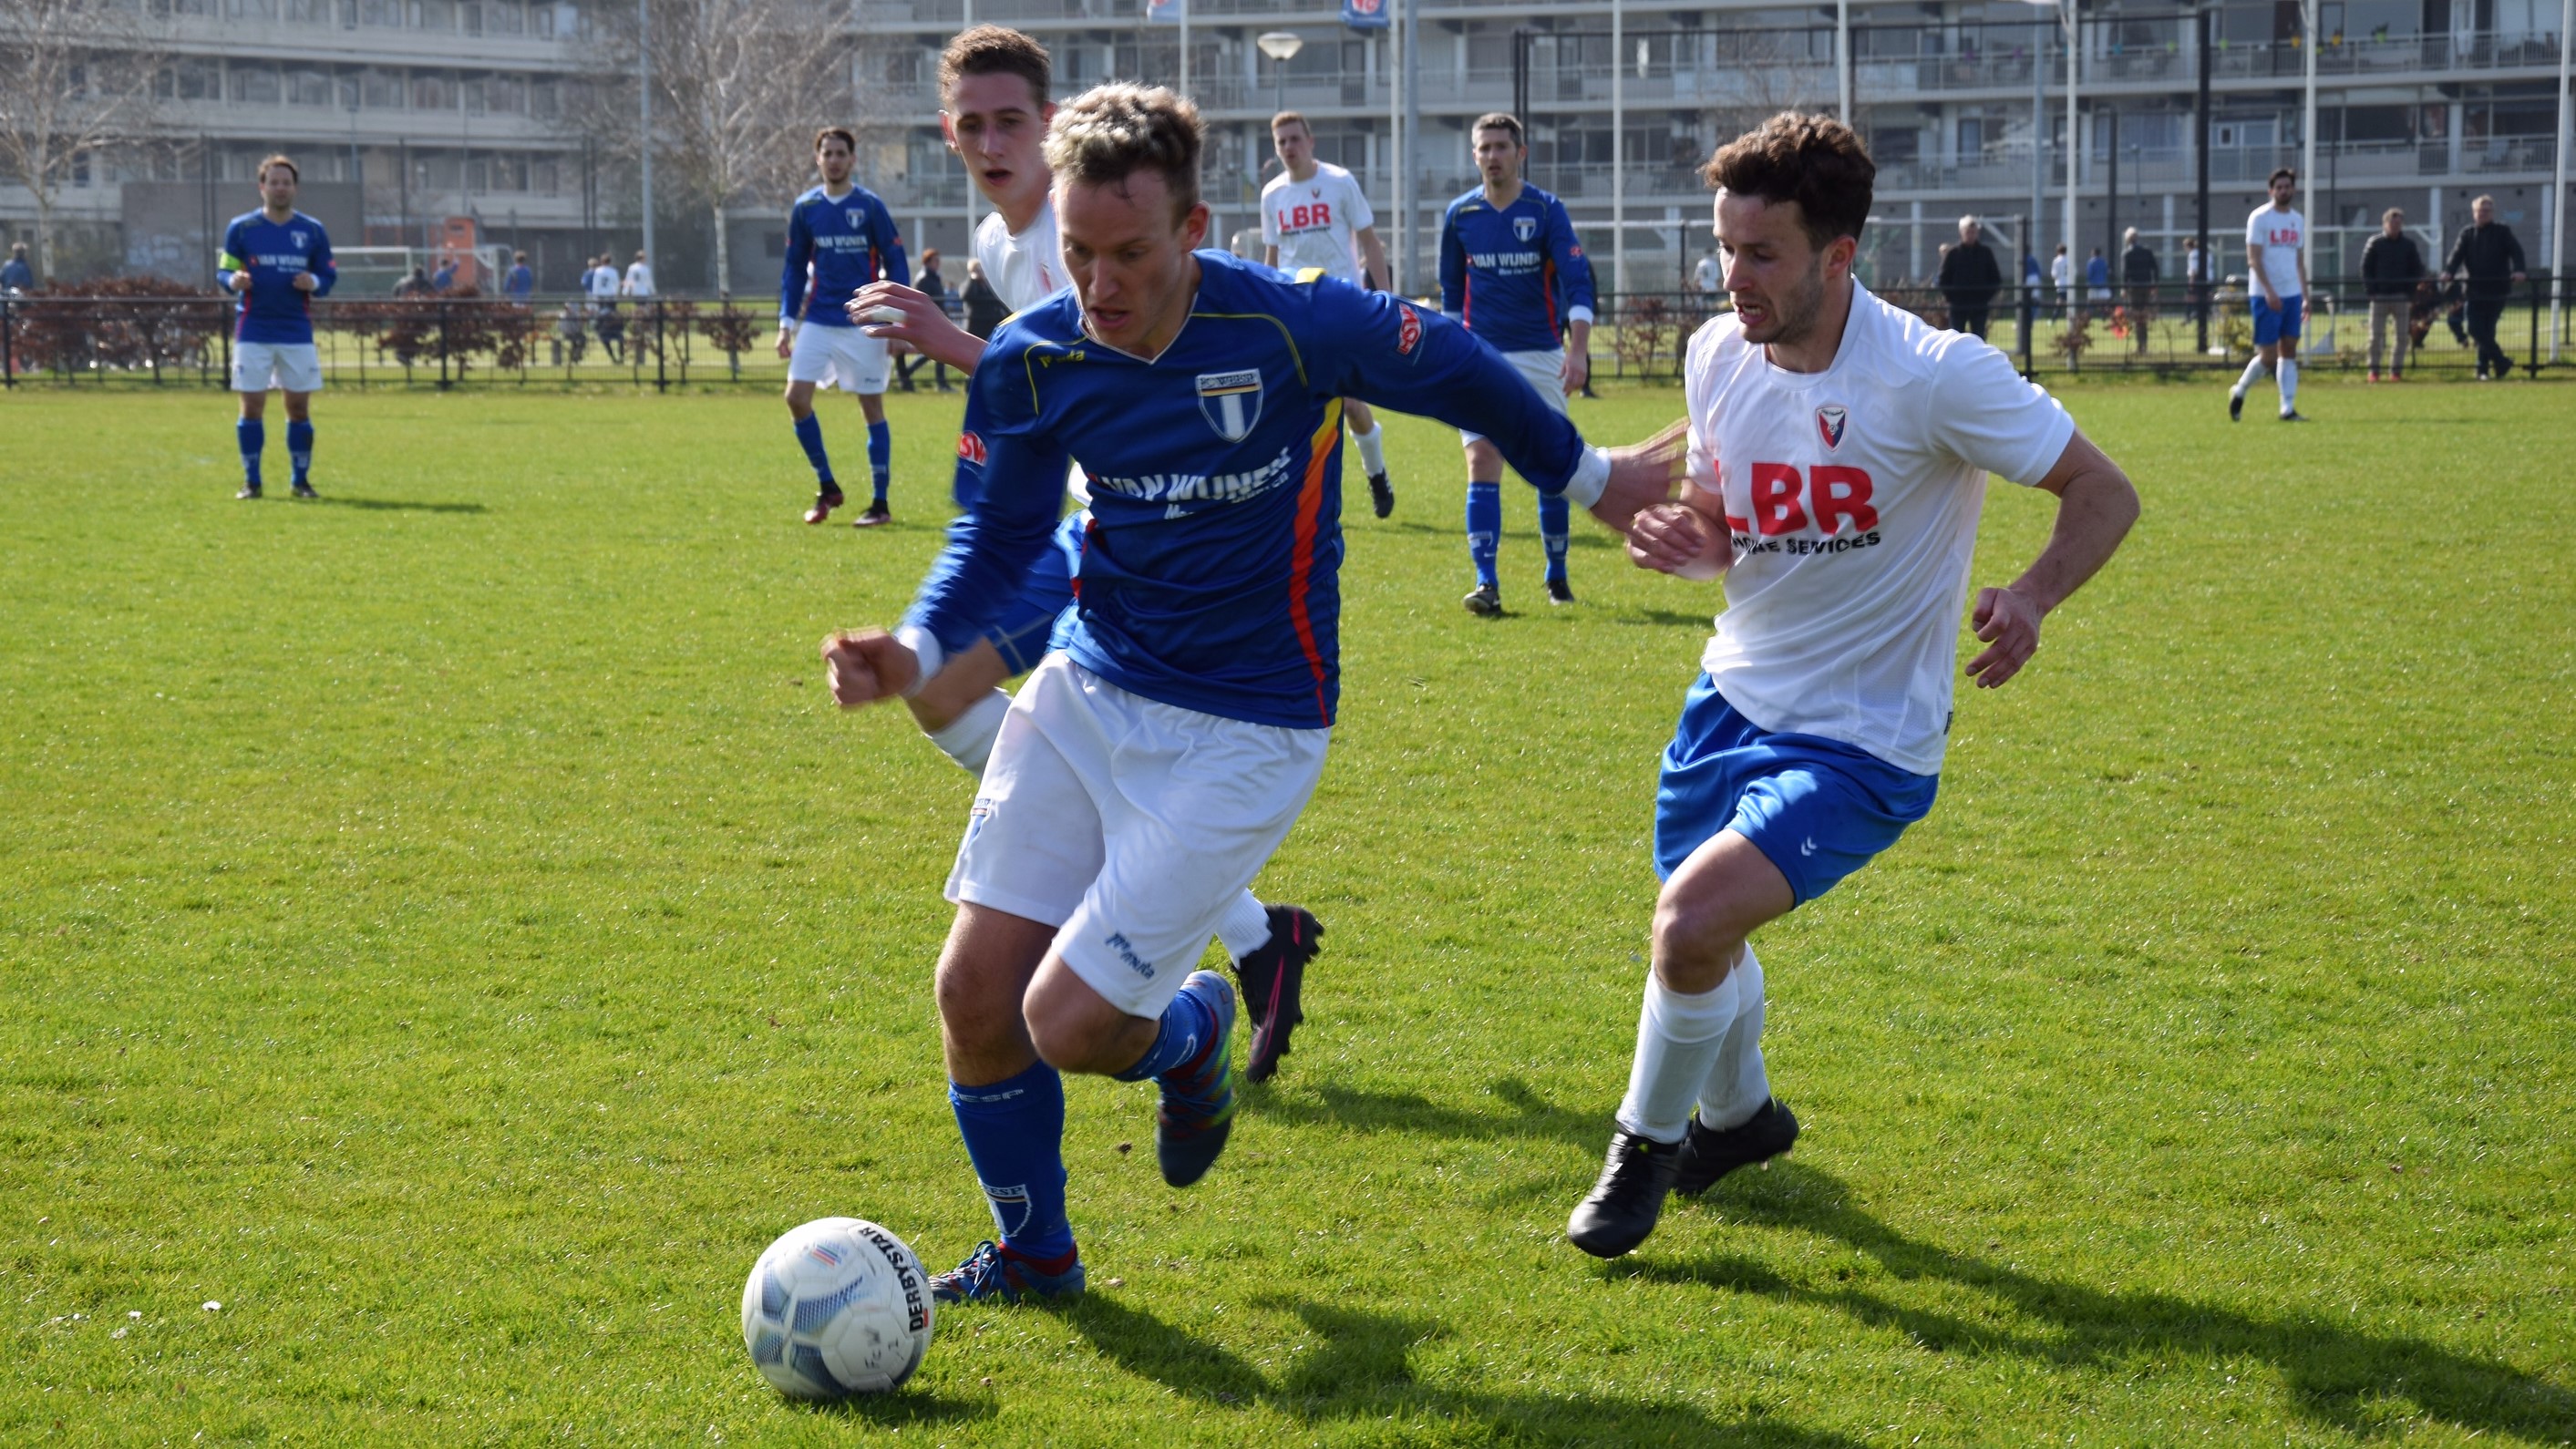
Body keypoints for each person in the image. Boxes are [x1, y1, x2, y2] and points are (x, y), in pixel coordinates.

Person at [820, 82, 1674, 1302]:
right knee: (972, 993)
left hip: (1250, 724)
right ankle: (1037, 1256)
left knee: (1070, 1024)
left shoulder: (1291, 324)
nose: (1099, 283)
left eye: (1129, 253)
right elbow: (995, 538)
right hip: (1091, 684)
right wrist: (913, 647)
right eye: (1079, 253)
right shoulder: (1034, 355)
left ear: (1194, 228)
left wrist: (1589, 476)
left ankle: (1196, 1032)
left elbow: (1456, 367)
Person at [1568, 110, 2138, 1259]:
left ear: (1839, 255)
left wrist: (2032, 596)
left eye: (1760, 254)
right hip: (1731, 699)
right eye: (1723, 249)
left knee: (1689, 921)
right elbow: (1729, 524)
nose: (1733, 278)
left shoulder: (1934, 375)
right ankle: (1741, 1119)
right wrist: (1689, 542)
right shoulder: (1717, 354)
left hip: (1867, 740)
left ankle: (1643, 1149)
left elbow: (2104, 491)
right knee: (1700, 941)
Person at [850, 24, 1328, 1107]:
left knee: (947, 689)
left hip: (1126, 537)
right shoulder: (997, 242)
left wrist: (951, 344)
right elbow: (1048, 384)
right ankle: (1258, 934)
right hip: (1072, 524)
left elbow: (1102, 372)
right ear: (948, 135)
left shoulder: (1089, 222)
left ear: (1052, 123)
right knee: (939, 690)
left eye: (1010, 121)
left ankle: (1244, 938)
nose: (992, 143)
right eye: (971, 126)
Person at [1440, 111, 1597, 613]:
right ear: (1474, 156)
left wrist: (1577, 350)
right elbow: (1451, 296)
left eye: (1501, 147)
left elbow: (1577, 283)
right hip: (1479, 355)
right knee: (1482, 459)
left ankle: (1557, 576)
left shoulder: (1546, 210)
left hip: (1540, 354)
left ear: (1520, 153)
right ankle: (1486, 583)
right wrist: (1448, 355)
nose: (1493, 156)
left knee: (1551, 465)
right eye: (1484, 148)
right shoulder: (1460, 215)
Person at [1264, 110, 1399, 519]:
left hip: (1342, 308)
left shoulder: (1340, 182)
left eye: (1295, 139)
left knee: (1351, 405)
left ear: (1311, 141)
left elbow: (1370, 242)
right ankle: (1296, 498)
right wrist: (1265, 305)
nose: (1289, 147)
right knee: (1292, 407)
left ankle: (1376, 473)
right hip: (1294, 312)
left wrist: (1387, 300)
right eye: (1281, 141)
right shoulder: (1272, 194)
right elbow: (1272, 256)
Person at [779, 126, 909, 527]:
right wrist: (786, 323)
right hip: (819, 318)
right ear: (817, 159)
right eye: (827, 153)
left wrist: (897, 321)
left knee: (871, 407)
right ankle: (827, 486)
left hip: (862, 320)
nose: (834, 160)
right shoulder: (805, 208)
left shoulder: (869, 206)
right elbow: (794, 268)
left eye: (840, 153)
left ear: (852, 160)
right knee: (795, 398)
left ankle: (880, 504)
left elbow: (895, 261)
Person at [219, 155, 337, 500]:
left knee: (298, 409)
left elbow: (329, 274)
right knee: (251, 407)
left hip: (295, 331)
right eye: (274, 182)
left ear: (295, 188)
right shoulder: (241, 228)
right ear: (262, 187)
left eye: (286, 182)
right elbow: (224, 270)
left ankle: (300, 482)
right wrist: (233, 280)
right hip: (253, 329)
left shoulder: (312, 230)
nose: (280, 188)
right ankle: (252, 483)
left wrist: (314, 281)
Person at [2231, 167, 2309, 421]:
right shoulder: (2260, 218)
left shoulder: (2297, 220)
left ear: (2293, 189)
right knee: (2268, 355)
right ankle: (2240, 390)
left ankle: (2287, 408)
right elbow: (2253, 259)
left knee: (2289, 350)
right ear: (2271, 191)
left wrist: (2305, 296)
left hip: (2292, 294)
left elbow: (2299, 262)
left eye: (2287, 187)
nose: (2284, 191)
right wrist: (2269, 291)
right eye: (2279, 187)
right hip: (2265, 295)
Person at [2442, 194, 2528, 381]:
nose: (2483, 214)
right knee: (2474, 328)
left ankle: (2483, 369)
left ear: (2492, 212)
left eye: (2487, 211)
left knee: (2487, 331)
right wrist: (2449, 272)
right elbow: (2456, 255)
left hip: (2497, 289)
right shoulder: (2467, 233)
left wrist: (2519, 270)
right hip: (2473, 290)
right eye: (2480, 211)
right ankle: (2501, 361)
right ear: (2474, 213)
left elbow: (2516, 252)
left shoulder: (2502, 231)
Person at [2361, 208, 2426, 381]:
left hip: (2401, 296)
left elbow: (2417, 269)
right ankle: (2374, 370)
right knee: (2375, 336)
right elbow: (2366, 269)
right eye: (2392, 222)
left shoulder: (2408, 245)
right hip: (2379, 296)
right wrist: (2371, 291)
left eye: (2398, 223)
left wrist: (2410, 292)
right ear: (2385, 224)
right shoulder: (2375, 243)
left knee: (2402, 336)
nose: (2395, 226)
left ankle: (2395, 371)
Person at [895, 247, 954, 392]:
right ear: (928, 262)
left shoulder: (934, 277)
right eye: (935, 260)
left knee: (939, 351)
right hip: (931, 320)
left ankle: (911, 373)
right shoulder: (924, 279)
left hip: (939, 318)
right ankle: (939, 382)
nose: (938, 263)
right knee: (937, 351)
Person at [1934, 214, 2001, 339]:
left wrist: (1985, 296)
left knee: (1978, 339)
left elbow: (1995, 278)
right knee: (1956, 338)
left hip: (1979, 304)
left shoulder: (1985, 253)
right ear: (1961, 232)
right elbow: (1943, 279)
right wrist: (1952, 298)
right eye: (1968, 232)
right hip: (1957, 305)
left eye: (1973, 232)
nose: (1971, 235)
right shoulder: (1953, 254)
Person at [2119, 227, 2158, 354]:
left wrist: (2123, 288)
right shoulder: (2147, 251)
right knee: (2144, 316)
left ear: (2127, 240)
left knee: (2137, 317)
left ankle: (2140, 345)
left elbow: (2125, 273)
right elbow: (2155, 268)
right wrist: (2154, 284)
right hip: (2146, 286)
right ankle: (2144, 345)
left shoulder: (2126, 253)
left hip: (2134, 288)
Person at [960, 257, 1005, 339]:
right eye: (977, 269)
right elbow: (965, 295)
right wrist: (973, 279)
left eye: (981, 269)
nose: (980, 271)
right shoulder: (968, 284)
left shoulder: (988, 285)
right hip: (975, 323)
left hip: (990, 322)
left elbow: (997, 299)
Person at [2182, 235, 2211, 329]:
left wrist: (2191, 282)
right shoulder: (2208, 254)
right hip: (2209, 278)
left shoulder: (2193, 254)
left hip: (2197, 279)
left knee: (2190, 298)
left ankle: (2189, 317)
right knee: (2205, 298)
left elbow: (2193, 270)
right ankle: (2206, 315)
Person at [551, 298, 586, 365]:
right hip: (568, 334)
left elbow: (579, 326)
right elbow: (563, 327)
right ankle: (575, 356)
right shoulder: (564, 315)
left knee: (579, 340)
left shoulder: (574, 315)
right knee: (581, 339)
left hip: (573, 334)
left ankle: (575, 356)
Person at [594, 297, 625, 363]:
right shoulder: (603, 312)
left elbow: (622, 325)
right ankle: (614, 358)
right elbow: (597, 325)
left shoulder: (616, 313)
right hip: (604, 332)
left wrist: (617, 321)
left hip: (614, 331)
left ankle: (621, 357)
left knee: (621, 339)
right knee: (606, 341)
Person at [2083, 246, 2109, 314]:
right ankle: (2103, 316)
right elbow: (2106, 272)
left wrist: (2087, 283)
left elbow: (2089, 274)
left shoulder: (2091, 262)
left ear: (2093, 253)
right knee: (2102, 303)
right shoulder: (2103, 262)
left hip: (2093, 284)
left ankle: (2088, 316)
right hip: (2102, 284)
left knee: (2091, 302)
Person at [2049, 243, 2071, 319]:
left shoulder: (2056, 261)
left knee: (2061, 302)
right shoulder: (2070, 260)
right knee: (2062, 301)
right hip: (2069, 284)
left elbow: (2054, 274)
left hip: (2060, 284)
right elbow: (2074, 271)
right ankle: (2054, 318)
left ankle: (2054, 318)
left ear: (2057, 251)